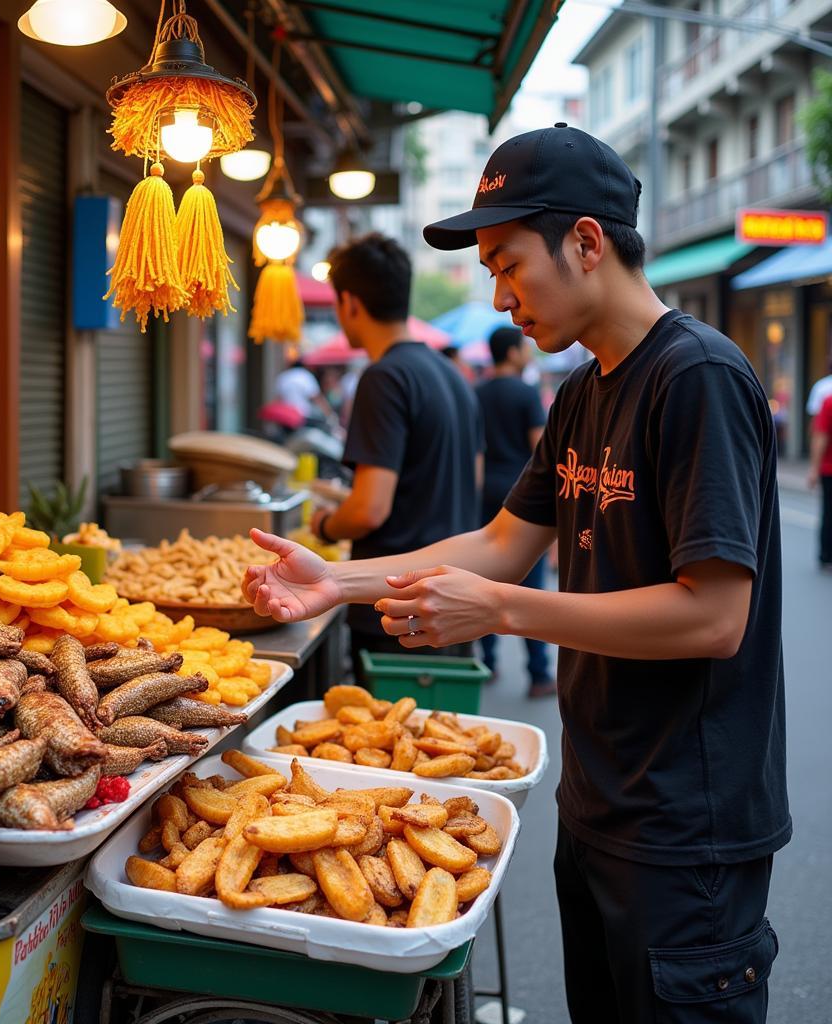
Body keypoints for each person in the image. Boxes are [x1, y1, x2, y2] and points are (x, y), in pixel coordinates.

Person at [246, 125, 788, 1024]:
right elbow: (501, 541)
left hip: (690, 827)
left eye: (507, 265)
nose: (499, 298)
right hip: (599, 798)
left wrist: (504, 611)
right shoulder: (581, 391)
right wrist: (337, 584)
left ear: (585, 241)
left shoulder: (697, 377)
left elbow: (713, 617)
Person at [308, 233, 484, 679]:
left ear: (349, 302)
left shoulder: (384, 377)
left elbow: (369, 509)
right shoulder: (452, 373)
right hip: (450, 597)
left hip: (396, 610)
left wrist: (326, 524)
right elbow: (474, 479)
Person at [475, 326, 554, 697]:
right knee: (530, 578)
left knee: (486, 577)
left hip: (485, 490)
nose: (528, 352)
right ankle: (538, 673)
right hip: (521, 492)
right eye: (523, 347)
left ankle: (487, 663)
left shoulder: (477, 393)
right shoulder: (526, 393)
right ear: (511, 353)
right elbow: (541, 448)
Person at [808, 391, 832, 570]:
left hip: (829, 469)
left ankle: (826, 555)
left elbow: (821, 436)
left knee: (828, 512)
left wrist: (814, 469)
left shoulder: (829, 401)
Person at [273, 360, 332, 424]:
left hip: (286, 416)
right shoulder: (305, 375)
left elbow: (279, 399)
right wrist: (329, 414)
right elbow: (317, 398)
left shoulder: (283, 377)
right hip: (303, 416)